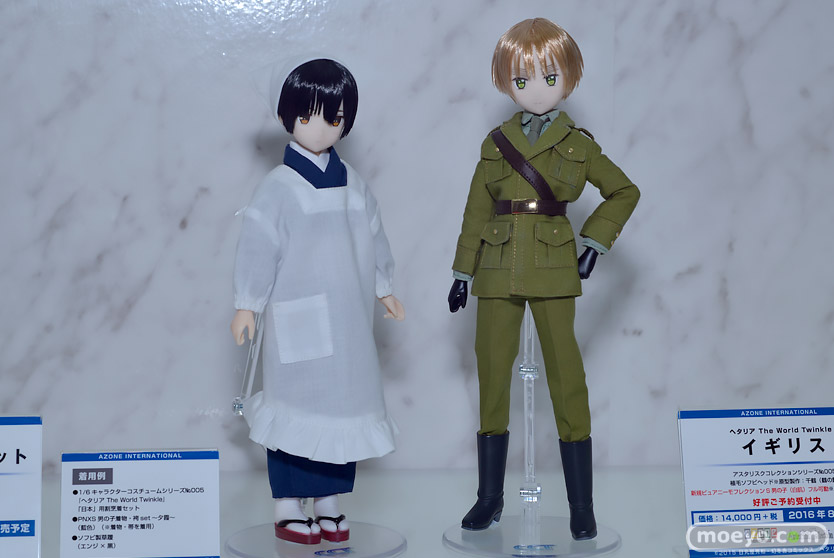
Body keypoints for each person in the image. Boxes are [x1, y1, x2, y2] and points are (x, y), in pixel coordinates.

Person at [448, 18, 640, 539]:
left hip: (555, 265)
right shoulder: (496, 144)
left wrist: (594, 243)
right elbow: (475, 211)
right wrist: (462, 272)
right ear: (505, 81)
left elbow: (624, 191)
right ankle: (489, 498)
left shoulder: (577, 144)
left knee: (566, 378)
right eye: (522, 78)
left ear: (570, 78)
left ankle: (581, 504)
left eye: (550, 77)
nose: (536, 89)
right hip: (497, 265)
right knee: (492, 374)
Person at [231, 58, 404, 545]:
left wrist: (385, 287)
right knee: (294, 412)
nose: (322, 127)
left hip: (349, 321)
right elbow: (257, 247)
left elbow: (375, 236)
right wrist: (247, 303)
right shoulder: (278, 188)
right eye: (307, 116)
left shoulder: (355, 185)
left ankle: (329, 499)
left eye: (334, 117)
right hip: (298, 318)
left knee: (344, 408)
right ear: (286, 118)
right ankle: (288, 504)